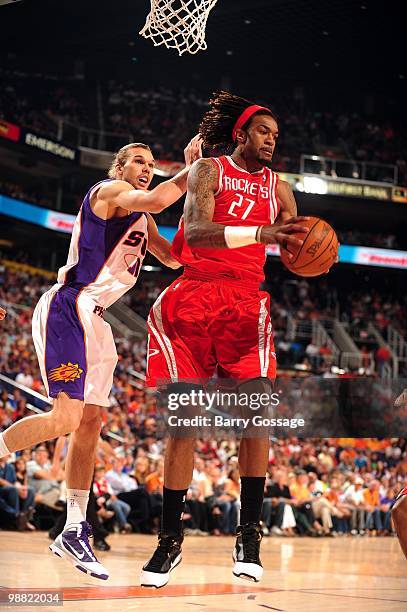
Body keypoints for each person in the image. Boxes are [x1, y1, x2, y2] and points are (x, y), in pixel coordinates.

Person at [0, 136, 202, 580]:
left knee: (90, 423)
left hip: (98, 320)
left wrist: (202, 219)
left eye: (151, 163)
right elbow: (157, 195)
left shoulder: (144, 219)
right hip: (69, 306)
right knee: (65, 419)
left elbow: (173, 259)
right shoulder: (108, 192)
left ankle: (74, 528)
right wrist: (198, 166)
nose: (146, 167)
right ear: (119, 168)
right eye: (138, 161)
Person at [141, 91, 312, 588]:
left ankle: (249, 535)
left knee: (256, 418)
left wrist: (313, 254)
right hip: (193, 296)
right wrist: (263, 234)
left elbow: (295, 245)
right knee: (184, 425)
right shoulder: (208, 171)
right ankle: (170, 540)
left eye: (277, 136)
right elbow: (195, 232)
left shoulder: (280, 189)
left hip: (245, 301)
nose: (271, 141)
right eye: (264, 132)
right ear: (241, 133)